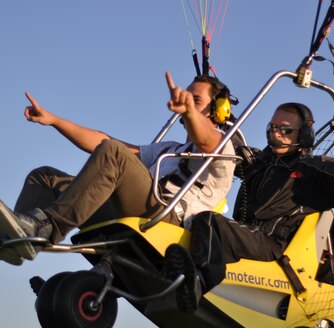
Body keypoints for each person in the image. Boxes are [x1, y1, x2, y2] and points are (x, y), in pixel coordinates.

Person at [0, 71, 236, 265]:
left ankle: (47, 226)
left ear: (219, 109)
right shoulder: (170, 149)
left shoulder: (222, 149)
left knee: (114, 153)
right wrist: (55, 121)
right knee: (45, 177)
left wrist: (189, 112)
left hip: (168, 223)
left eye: (196, 101)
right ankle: (17, 239)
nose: (188, 104)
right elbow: (102, 142)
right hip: (138, 212)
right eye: (187, 98)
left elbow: (205, 138)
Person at [163, 97, 334, 313]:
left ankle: (198, 283)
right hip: (248, 236)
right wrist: (216, 111)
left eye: (286, 130)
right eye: (273, 128)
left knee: (209, 221)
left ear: (303, 135)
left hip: (273, 247)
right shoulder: (260, 162)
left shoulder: (312, 170)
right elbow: (231, 148)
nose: (277, 134)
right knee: (195, 222)